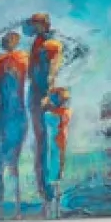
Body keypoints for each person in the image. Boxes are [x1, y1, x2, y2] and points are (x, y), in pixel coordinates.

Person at [0, 31, 30, 217]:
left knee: (2, 160)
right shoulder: (22, 60)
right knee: (10, 161)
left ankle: (4, 203)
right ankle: (13, 204)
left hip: (7, 113)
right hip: (14, 113)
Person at [26, 13, 65, 209]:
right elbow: (32, 71)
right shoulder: (37, 43)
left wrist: (47, 93)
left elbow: (51, 71)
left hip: (44, 94)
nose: (32, 28)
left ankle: (50, 185)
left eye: (35, 24)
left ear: (43, 25)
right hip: (36, 94)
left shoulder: (50, 44)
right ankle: (44, 187)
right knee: (41, 141)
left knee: (49, 140)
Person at [40, 84, 72, 217]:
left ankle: (50, 208)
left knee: (52, 176)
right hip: (58, 146)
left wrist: (46, 103)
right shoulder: (64, 113)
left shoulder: (52, 114)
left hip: (53, 147)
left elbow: (47, 112)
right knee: (56, 177)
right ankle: (55, 209)